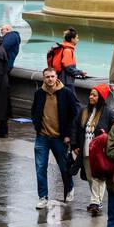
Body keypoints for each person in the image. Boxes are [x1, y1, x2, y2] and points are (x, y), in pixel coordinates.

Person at [31, 66, 80, 207]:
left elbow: (75, 113)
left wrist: (69, 135)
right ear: (43, 78)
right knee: (40, 167)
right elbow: (34, 111)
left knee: (64, 167)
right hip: (42, 137)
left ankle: (70, 187)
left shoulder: (66, 93)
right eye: (47, 77)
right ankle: (43, 197)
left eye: (52, 76)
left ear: (56, 76)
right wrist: (37, 126)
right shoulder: (39, 93)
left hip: (60, 138)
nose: (50, 79)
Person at [72, 84, 114, 215]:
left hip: (99, 153)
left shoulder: (108, 113)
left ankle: (95, 202)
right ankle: (97, 201)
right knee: (91, 178)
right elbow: (75, 127)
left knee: (99, 177)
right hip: (85, 151)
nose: (91, 97)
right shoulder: (84, 111)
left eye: (94, 95)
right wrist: (74, 145)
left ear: (101, 97)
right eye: (90, 94)